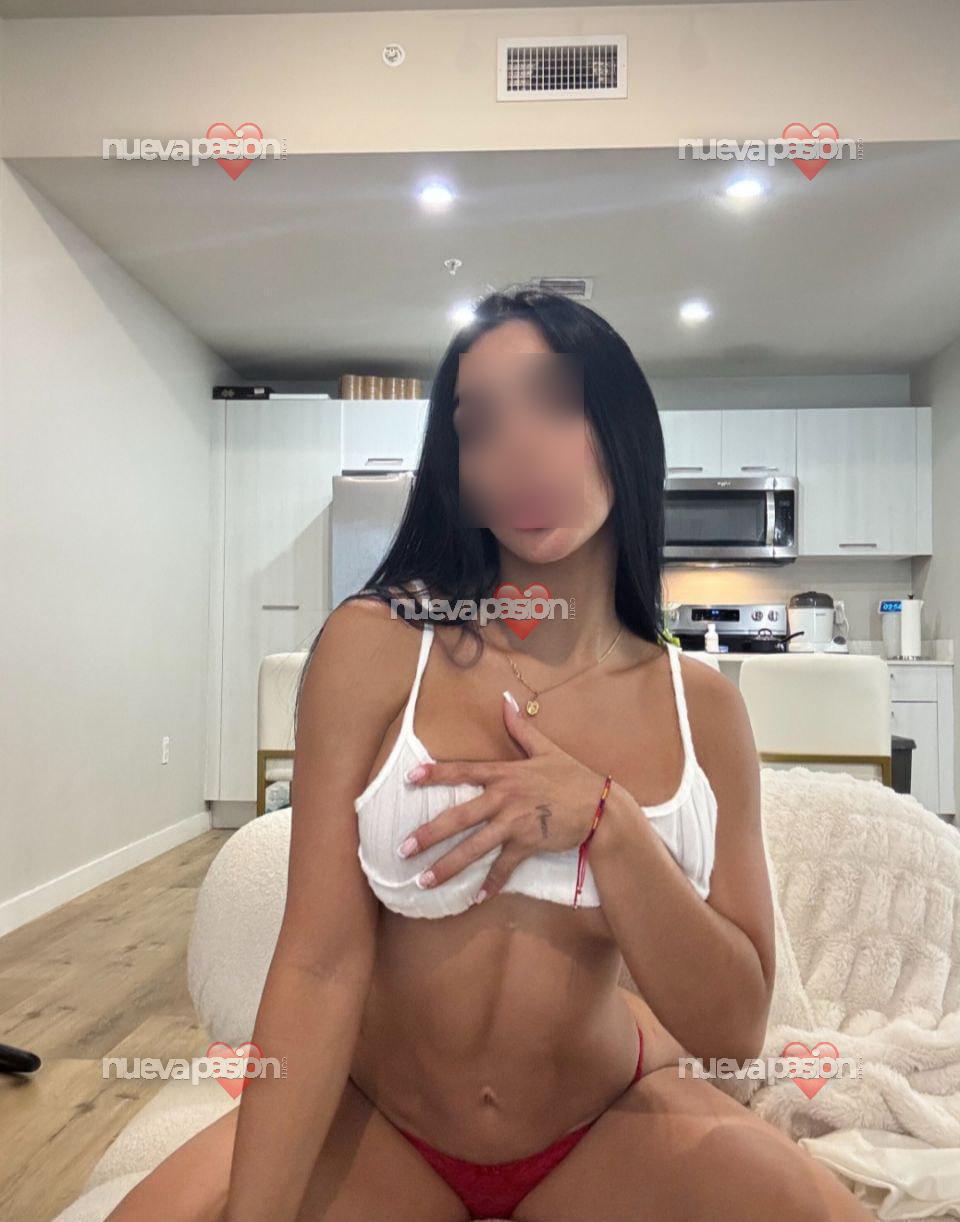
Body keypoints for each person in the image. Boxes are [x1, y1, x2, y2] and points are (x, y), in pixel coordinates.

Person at [108, 287, 872, 1221]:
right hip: (383, 1121)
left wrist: (609, 826)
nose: (519, 448)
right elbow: (317, 966)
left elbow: (735, 1031)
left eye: (555, 402)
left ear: (623, 427)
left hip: (603, 1123)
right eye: (481, 425)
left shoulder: (703, 710)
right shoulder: (377, 647)